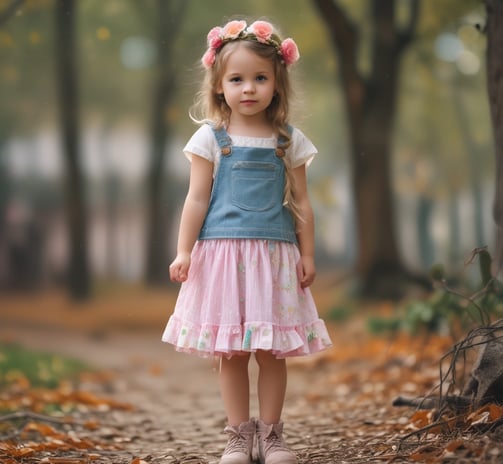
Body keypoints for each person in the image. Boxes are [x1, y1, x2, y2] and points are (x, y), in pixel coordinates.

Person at [162, 18, 332, 464]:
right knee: (233, 352)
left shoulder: (288, 141)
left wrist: (308, 253)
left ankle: (273, 435)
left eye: (260, 78)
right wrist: (184, 250)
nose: (249, 89)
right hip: (222, 256)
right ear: (219, 86)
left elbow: (301, 204)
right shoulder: (210, 139)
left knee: (271, 351)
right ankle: (238, 436)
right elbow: (196, 199)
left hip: (274, 258)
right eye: (237, 79)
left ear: (277, 84)